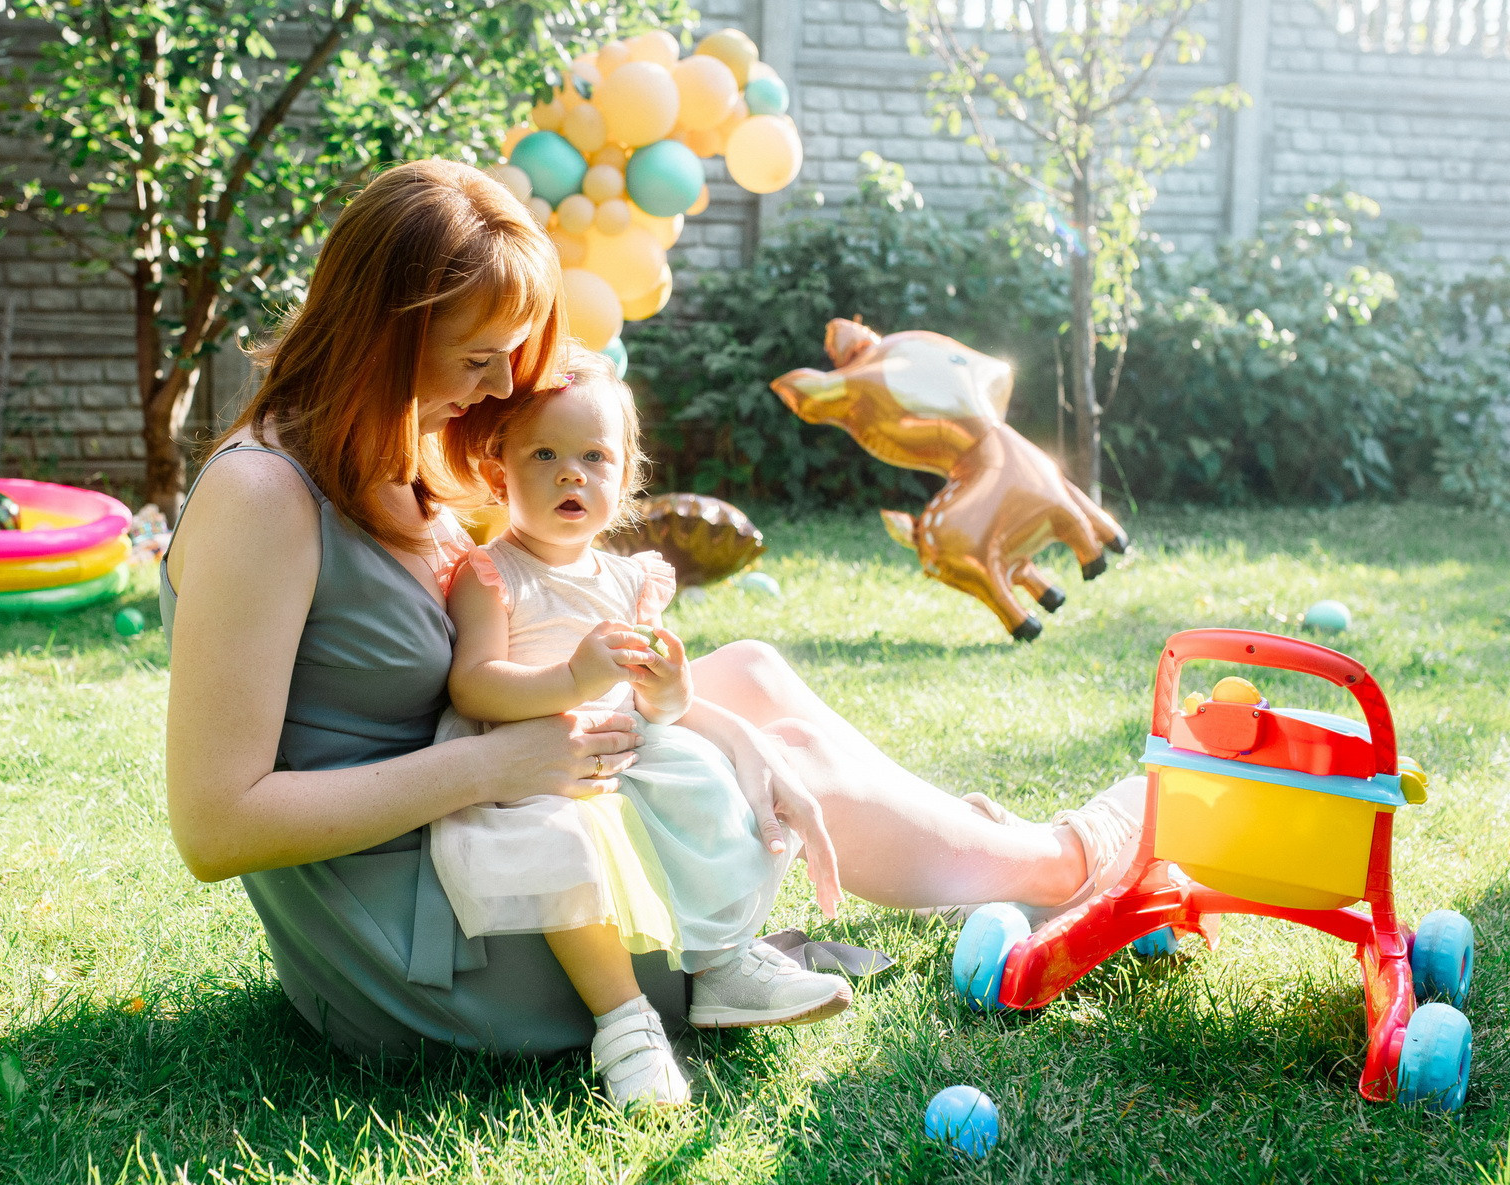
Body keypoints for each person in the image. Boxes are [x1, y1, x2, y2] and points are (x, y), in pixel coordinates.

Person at [161, 159, 1142, 1071]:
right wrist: (493, 766)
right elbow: (215, 825)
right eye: (479, 358)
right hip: (435, 927)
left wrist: (730, 736)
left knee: (748, 682)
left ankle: (997, 856)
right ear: (386, 337)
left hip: (492, 817)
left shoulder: (392, 455)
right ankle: (1062, 864)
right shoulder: (263, 496)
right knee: (772, 742)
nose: (500, 387)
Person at [434, 349, 849, 1108]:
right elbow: (473, 683)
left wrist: (666, 688)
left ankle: (721, 964)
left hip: (624, 747)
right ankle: (624, 1025)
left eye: (594, 457)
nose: (571, 474)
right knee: (564, 851)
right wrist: (571, 681)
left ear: (624, 478)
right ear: (499, 477)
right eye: (544, 455)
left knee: (706, 780)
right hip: (532, 765)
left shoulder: (631, 580)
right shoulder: (492, 575)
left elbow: (659, 704)